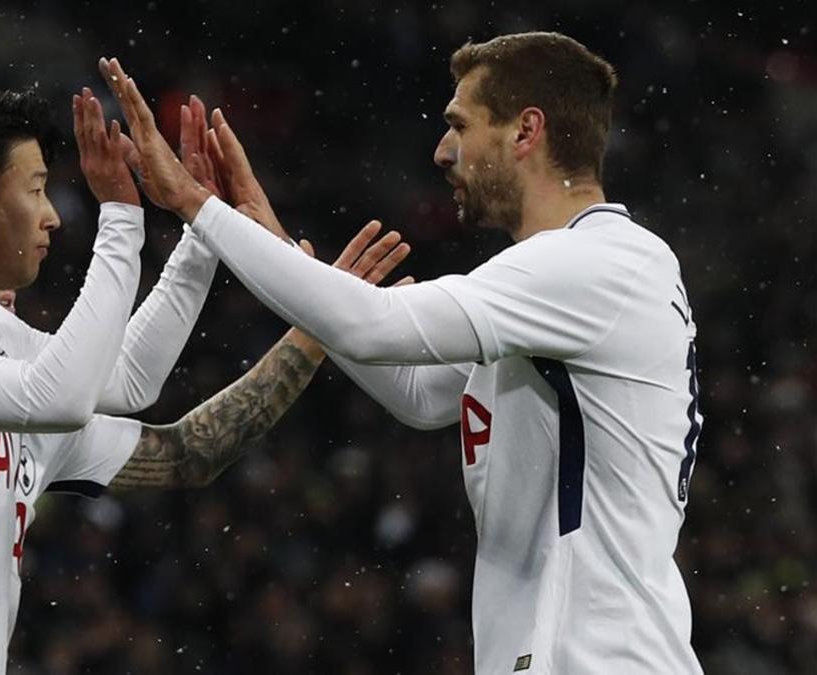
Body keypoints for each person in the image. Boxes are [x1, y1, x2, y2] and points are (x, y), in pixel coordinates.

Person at [100, 30, 704, 674]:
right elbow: (418, 395)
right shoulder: (569, 285)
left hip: (598, 657)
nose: (444, 151)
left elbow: (373, 327)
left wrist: (196, 206)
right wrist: (265, 235)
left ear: (526, 132)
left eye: (460, 125)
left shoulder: (594, 265)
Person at [0, 83, 410, 675]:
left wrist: (204, 230)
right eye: (36, 191)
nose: (51, 218)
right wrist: (120, 216)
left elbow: (129, 387)